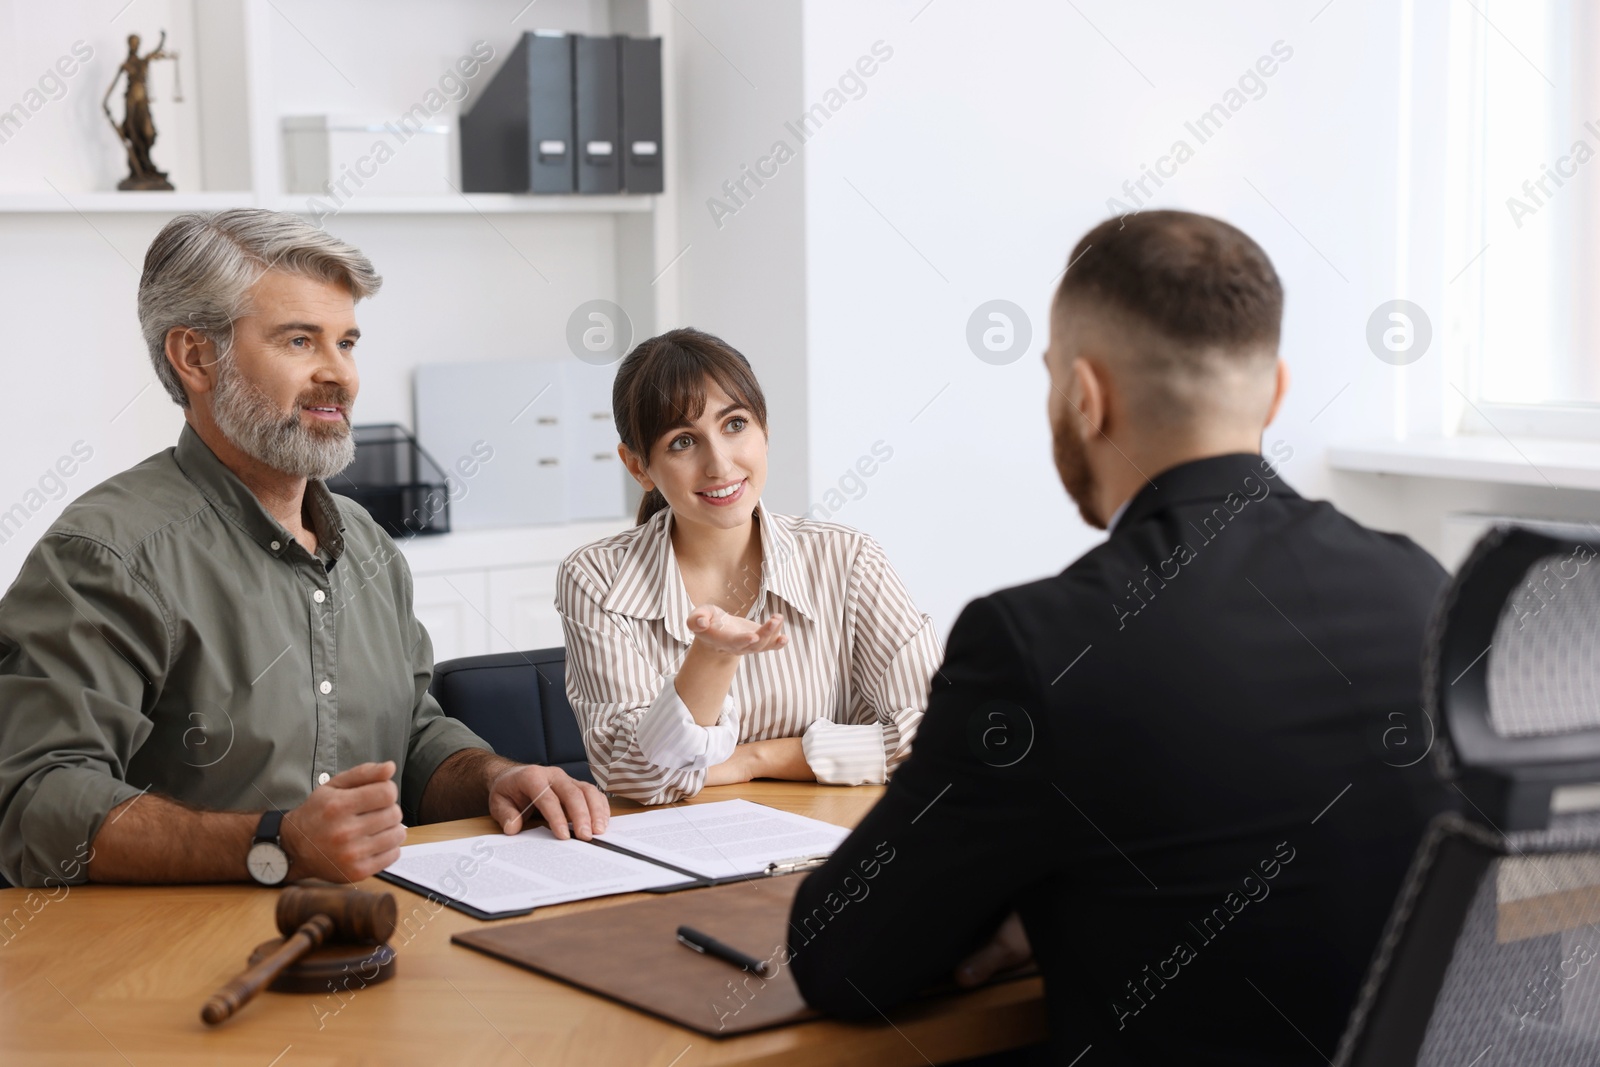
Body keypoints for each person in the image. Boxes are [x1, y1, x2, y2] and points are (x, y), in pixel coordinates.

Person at [786, 211, 1454, 1064]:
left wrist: (1026, 897)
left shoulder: (1037, 641)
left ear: (1084, 396)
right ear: (1276, 391)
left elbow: (842, 959)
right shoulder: (1423, 589)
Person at [0, 209, 606, 890]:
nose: (339, 375)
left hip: (366, 937)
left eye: (346, 342)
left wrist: (496, 776)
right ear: (196, 356)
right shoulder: (106, 554)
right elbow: (34, 803)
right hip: (172, 969)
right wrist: (273, 844)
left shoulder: (369, 546)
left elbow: (411, 736)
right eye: (299, 341)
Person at [556, 328, 941, 805]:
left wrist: (753, 760)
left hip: (836, 848)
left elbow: (941, 735)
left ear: (764, 430)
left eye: (735, 425)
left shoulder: (848, 560)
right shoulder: (597, 578)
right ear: (638, 466)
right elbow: (633, 776)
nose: (719, 463)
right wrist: (712, 657)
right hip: (686, 850)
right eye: (682, 442)